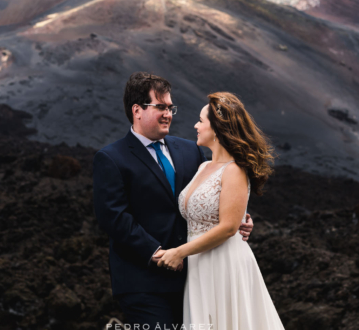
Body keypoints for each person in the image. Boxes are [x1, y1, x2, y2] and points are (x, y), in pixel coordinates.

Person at [93, 73, 254, 328]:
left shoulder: (190, 150)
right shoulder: (111, 158)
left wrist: (238, 219)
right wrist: (156, 253)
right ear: (137, 110)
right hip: (143, 283)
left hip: (195, 279)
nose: (168, 113)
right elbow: (113, 217)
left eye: (170, 107)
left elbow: (212, 194)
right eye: (161, 107)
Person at [158, 92, 285, 329]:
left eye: (201, 121)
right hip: (199, 263)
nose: (195, 125)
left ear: (217, 129)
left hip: (223, 262)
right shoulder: (204, 165)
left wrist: (179, 252)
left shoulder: (235, 170)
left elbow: (228, 227)